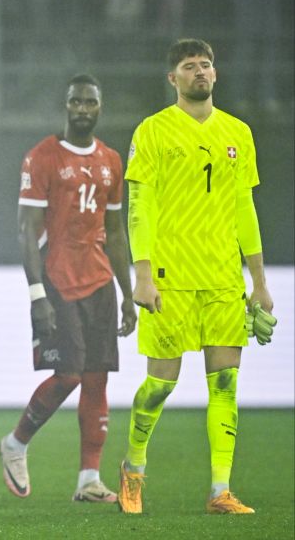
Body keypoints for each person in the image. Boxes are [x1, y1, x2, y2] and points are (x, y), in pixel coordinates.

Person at [118, 39, 276, 515]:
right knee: (161, 384)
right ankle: (134, 468)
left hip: (223, 278)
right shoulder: (153, 131)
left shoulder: (238, 132)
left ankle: (220, 491)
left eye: (206, 65)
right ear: (173, 79)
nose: (200, 72)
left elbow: (244, 208)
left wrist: (260, 281)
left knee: (225, 384)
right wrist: (142, 276)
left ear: (216, 73)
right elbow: (139, 209)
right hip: (169, 277)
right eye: (190, 66)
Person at [0, 74, 136, 504]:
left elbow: (114, 231)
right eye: (75, 101)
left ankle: (88, 480)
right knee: (69, 375)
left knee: (97, 379)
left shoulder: (112, 159)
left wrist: (127, 294)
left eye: (89, 102)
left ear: (99, 108)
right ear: (66, 105)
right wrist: (36, 292)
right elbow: (25, 231)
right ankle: (16, 443)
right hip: (59, 280)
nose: (82, 109)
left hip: (99, 284)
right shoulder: (43, 157)